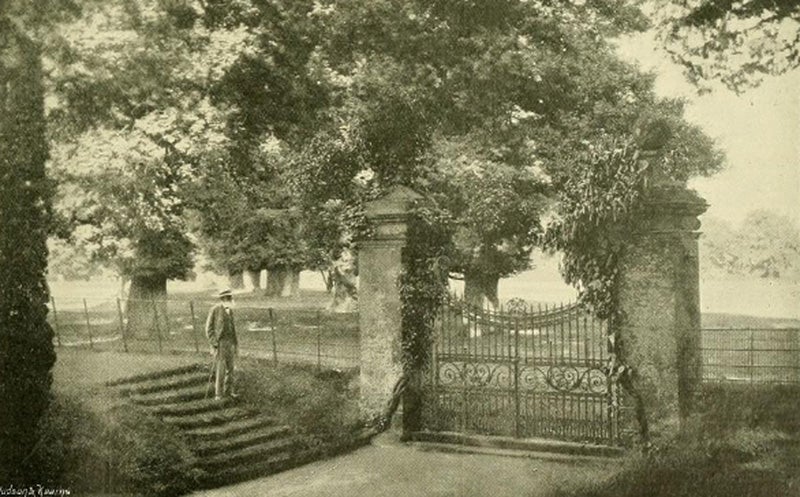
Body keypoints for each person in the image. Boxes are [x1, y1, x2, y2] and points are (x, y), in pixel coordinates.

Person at [205, 288, 238, 400]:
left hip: (230, 343)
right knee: (221, 369)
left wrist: (235, 343)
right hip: (220, 343)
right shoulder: (215, 309)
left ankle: (229, 391)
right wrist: (214, 343)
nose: (229, 299)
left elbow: (232, 328)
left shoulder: (231, 310)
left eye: (230, 297)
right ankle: (218, 394)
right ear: (222, 299)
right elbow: (208, 328)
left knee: (231, 368)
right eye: (227, 297)